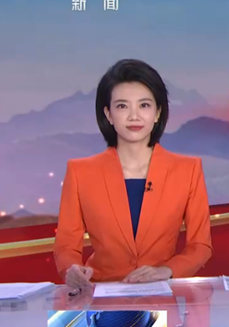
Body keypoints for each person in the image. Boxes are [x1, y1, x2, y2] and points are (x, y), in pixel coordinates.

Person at [54, 59, 213, 290]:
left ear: (158, 113)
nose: (134, 116)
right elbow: (66, 246)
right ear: (108, 114)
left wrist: (166, 271)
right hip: (100, 293)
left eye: (144, 105)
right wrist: (72, 269)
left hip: (161, 294)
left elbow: (200, 246)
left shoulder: (188, 170)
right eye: (122, 106)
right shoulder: (80, 172)